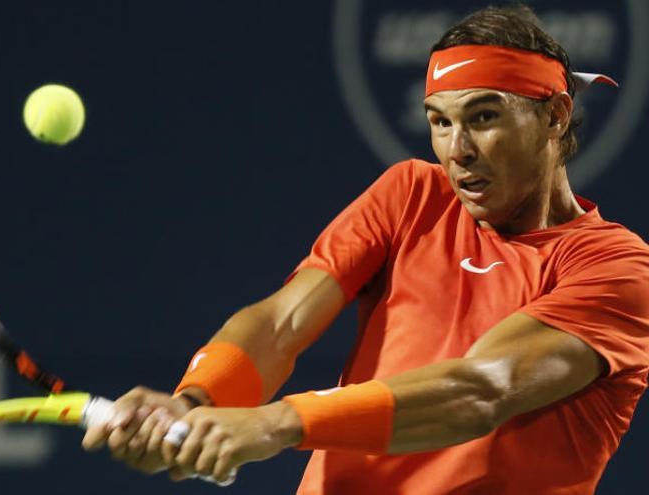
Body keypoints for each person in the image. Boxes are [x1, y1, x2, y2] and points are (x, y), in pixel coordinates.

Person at [82, 5, 649, 494]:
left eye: (483, 118)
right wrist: (195, 402)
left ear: (555, 115)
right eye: (439, 122)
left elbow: (482, 389)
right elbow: (282, 323)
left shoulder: (619, 268)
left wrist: (279, 422)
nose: (458, 150)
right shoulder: (411, 194)